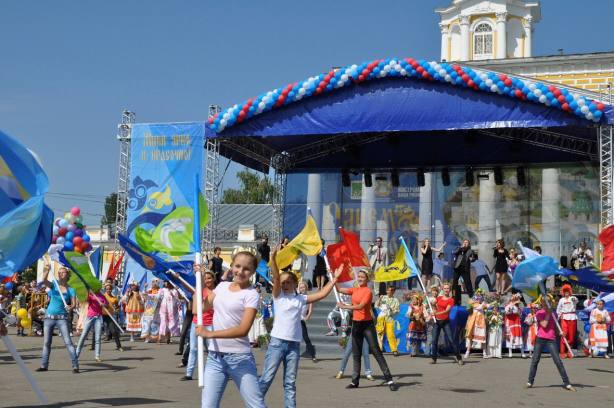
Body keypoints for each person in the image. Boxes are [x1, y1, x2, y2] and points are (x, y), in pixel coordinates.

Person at [258, 247, 342, 408]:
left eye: (288, 282)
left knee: (290, 383)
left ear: (295, 283)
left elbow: (322, 294)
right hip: (277, 343)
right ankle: (254, 404)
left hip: (293, 345)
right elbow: (275, 279)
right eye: (282, 282)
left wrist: (334, 279)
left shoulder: (301, 298)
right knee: (266, 379)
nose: (284, 284)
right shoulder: (278, 296)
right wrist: (273, 259)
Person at [195, 250, 266, 407]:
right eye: (238, 266)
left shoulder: (251, 294)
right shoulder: (221, 287)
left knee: (256, 405)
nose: (240, 271)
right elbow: (197, 309)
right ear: (232, 266)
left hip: (240, 359)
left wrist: (209, 333)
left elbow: (243, 330)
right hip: (215, 358)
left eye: (246, 269)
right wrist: (198, 281)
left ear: (253, 271)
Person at [336, 269, 398, 391]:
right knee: (356, 353)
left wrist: (345, 306)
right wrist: (334, 277)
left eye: (362, 277)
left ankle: (389, 379)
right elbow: (338, 289)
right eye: (358, 277)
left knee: (376, 351)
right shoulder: (354, 289)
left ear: (367, 279)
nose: (359, 278)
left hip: (367, 325)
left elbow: (360, 306)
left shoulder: (368, 292)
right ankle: (355, 381)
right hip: (356, 325)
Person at [526, 294, 576, 391]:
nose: (547, 303)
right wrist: (549, 313)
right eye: (545, 302)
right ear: (542, 303)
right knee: (535, 361)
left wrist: (560, 332)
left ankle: (567, 383)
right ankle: (530, 382)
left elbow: (554, 328)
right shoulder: (539, 313)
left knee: (558, 361)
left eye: (549, 302)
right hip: (540, 339)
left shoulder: (555, 314)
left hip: (551, 339)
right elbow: (544, 325)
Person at [36, 262, 79, 373]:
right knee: (46, 343)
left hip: (62, 318)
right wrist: (46, 270)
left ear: (67, 274)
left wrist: (70, 307)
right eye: (59, 272)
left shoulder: (71, 289)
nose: (60, 274)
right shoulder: (54, 285)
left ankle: (75, 365)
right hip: (49, 317)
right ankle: (44, 365)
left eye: (63, 272)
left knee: (68, 342)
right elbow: (44, 281)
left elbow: (74, 304)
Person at [175, 269, 216, 381]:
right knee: (193, 349)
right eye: (205, 278)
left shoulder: (216, 292)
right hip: (196, 323)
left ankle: (212, 373)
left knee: (212, 350)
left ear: (213, 279)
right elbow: (187, 287)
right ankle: (189, 373)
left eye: (209, 278)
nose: (207, 280)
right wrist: (179, 278)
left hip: (210, 324)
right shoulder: (198, 291)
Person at [429, 283, 463, 365]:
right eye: (445, 288)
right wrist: (433, 309)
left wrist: (436, 313)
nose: (446, 290)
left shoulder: (451, 300)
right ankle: (434, 358)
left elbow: (447, 311)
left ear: (449, 290)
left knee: (451, 340)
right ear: (442, 289)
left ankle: (459, 357)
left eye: (448, 288)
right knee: (434, 341)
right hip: (437, 322)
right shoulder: (439, 298)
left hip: (445, 322)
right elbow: (434, 305)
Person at [335, 316, 374, 381]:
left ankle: (368, 373)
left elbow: (373, 320)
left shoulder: (367, 310)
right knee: (347, 353)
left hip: (365, 334)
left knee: (366, 354)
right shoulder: (355, 309)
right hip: (354, 333)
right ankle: (341, 371)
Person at [75, 290, 108, 363]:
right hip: (90, 317)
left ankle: (97, 356)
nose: (98, 289)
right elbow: (85, 300)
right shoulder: (90, 294)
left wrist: (103, 304)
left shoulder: (102, 296)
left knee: (98, 337)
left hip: (98, 317)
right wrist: (87, 293)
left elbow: (107, 304)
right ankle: (76, 354)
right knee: (83, 335)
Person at [375, 285, 400, 356]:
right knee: (379, 334)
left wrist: (391, 310)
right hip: (381, 318)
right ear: (386, 291)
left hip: (390, 318)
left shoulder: (396, 300)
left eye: (392, 290)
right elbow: (377, 305)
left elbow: (397, 310)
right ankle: (379, 350)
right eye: (389, 290)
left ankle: (394, 350)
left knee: (390, 334)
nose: (390, 291)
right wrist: (379, 299)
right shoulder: (383, 297)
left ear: (394, 291)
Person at [464, 288, 488, 359]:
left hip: (481, 321)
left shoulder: (483, 302)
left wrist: (495, 301)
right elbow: (477, 307)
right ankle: (467, 352)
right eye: (478, 292)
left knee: (482, 336)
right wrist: (483, 304)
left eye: (481, 293)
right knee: (471, 336)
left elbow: (488, 306)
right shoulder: (472, 301)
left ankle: (484, 353)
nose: (479, 294)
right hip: (473, 321)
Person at [556, 283, 577, 358]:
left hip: (572, 317)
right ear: (563, 293)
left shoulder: (573, 298)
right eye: (565, 292)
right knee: (563, 335)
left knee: (571, 336)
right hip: (564, 318)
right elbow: (558, 309)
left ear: (570, 292)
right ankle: (562, 352)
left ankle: (569, 351)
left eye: (567, 292)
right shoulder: (561, 300)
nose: (566, 293)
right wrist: (559, 316)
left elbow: (576, 300)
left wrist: (573, 299)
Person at [298, 280, 317, 362]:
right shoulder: (297, 296)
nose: (302, 289)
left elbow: (310, 308)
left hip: (301, 319)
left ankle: (313, 355)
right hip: (293, 319)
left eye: (303, 287)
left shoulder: (308, 297)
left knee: (306, 337)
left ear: (306, 287)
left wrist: (308, 316)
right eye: (300, 287)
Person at [453, 239, 474, 305]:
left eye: (466, 242)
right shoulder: (459, 249)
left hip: (465, 269)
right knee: (454, 282)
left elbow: (472, 257)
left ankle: (471, 296)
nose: (465, 243)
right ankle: (453, 296)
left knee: (468, 282)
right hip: (457, 268)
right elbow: (455, 252)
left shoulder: (470, 250)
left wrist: (472, 258)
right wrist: (460, 247)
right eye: (464, 242)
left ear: (469, 244)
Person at [102, 283, 123, 352]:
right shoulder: (102, 296)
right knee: (96, 330)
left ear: (111, 289)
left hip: (109, 316)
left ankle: (119, 346)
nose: (108, 290)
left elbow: (117, 307)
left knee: (113, 331)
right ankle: (93, 346)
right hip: (101, 315)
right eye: (107, 289)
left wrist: (117, 310)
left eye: (110, 289)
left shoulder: (114, 298)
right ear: (105, 289)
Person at [505, 293, 525, 358]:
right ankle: (510, 352)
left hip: (517, 323)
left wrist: (518, 310)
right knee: (510, 337)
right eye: (515, 299)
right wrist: (512, 305)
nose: (517, 301)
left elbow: (520, 314)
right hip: (510, 323)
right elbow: (508, 312)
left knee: (519, 336)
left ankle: (522, 353)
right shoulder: (508, 306)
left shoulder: (518, 307)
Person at [407, 292, 427, 357]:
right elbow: (408, 314)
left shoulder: (422, 307)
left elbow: (426, 315)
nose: (413, 301)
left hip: (420, 324)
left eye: (415, 299)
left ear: (418, 300)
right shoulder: (411, 307)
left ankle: (417, 351)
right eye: (413, 299)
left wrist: (422, 318)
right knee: (413, 339)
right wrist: (412, 315)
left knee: (419, 339)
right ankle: (413, 352)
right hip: (413, 324)